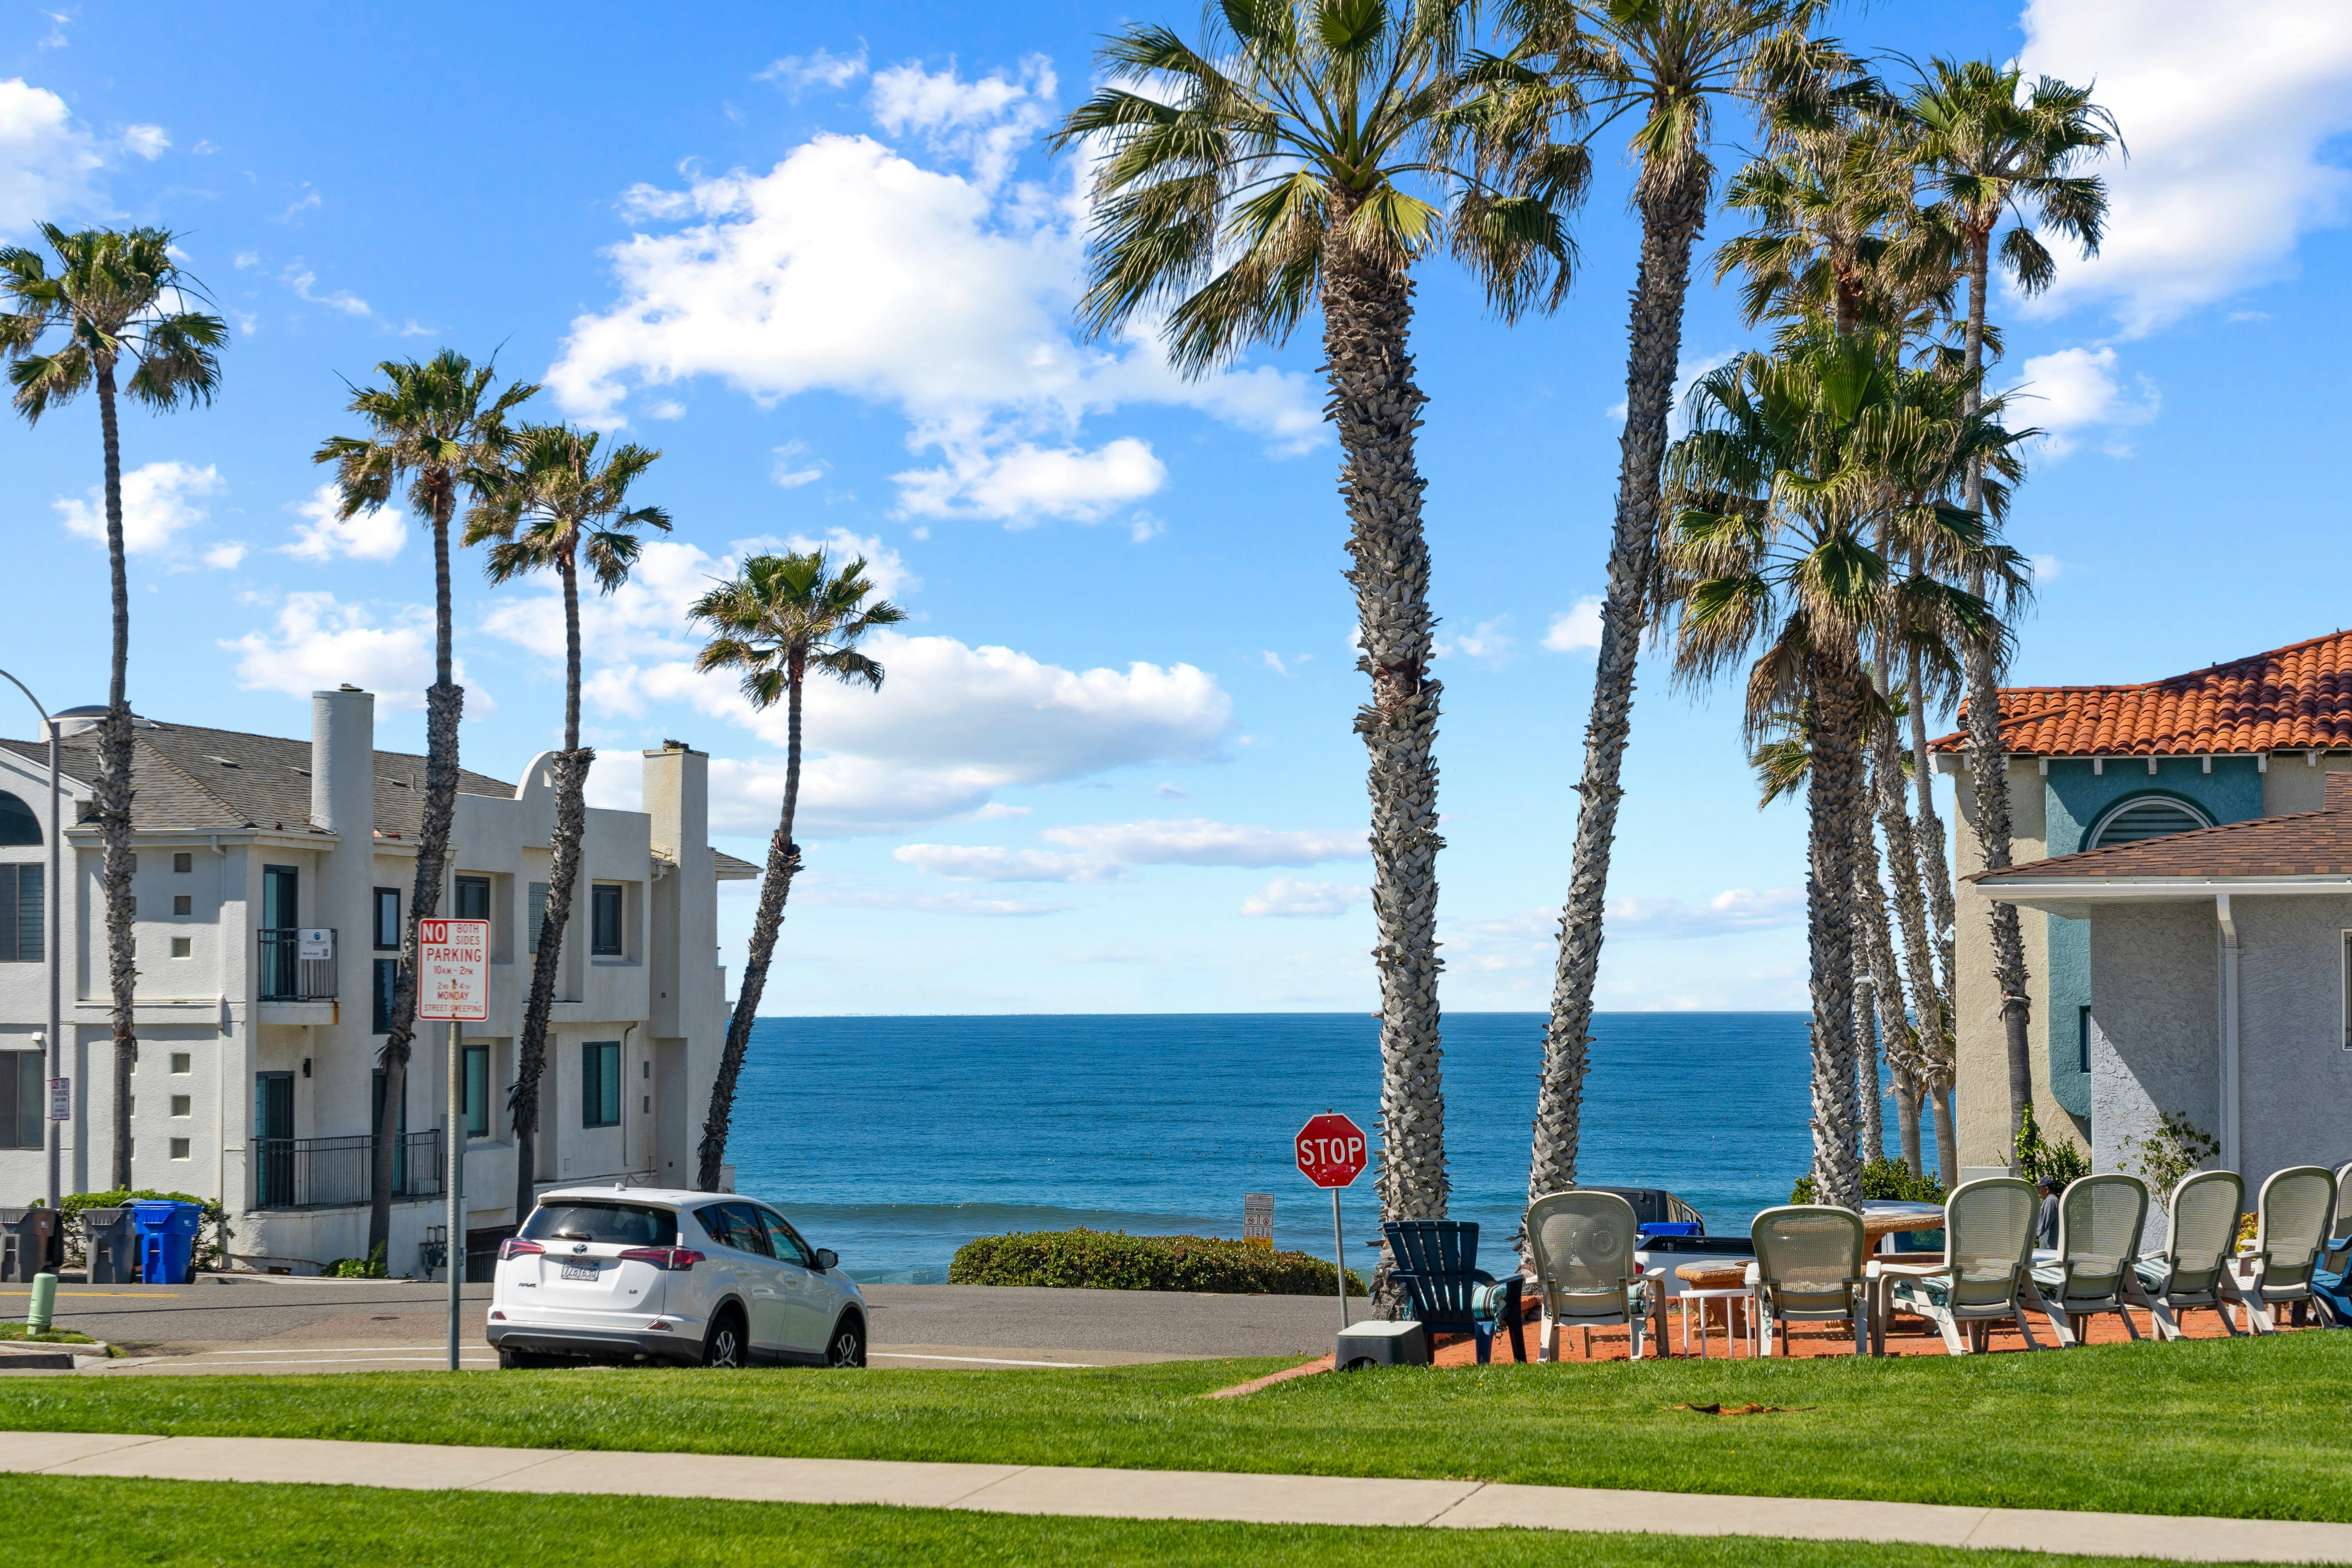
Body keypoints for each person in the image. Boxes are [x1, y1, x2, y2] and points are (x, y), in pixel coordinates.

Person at [2035, 1176, 2062, 1250]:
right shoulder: (2050, 1200)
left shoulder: (2050, 1202)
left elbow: (2046, 1223)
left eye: (2039, 1189)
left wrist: (2032, 1236)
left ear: (2047, 1190)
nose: (2038, 1191)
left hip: (2050, 1246)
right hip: (2049, 1244)